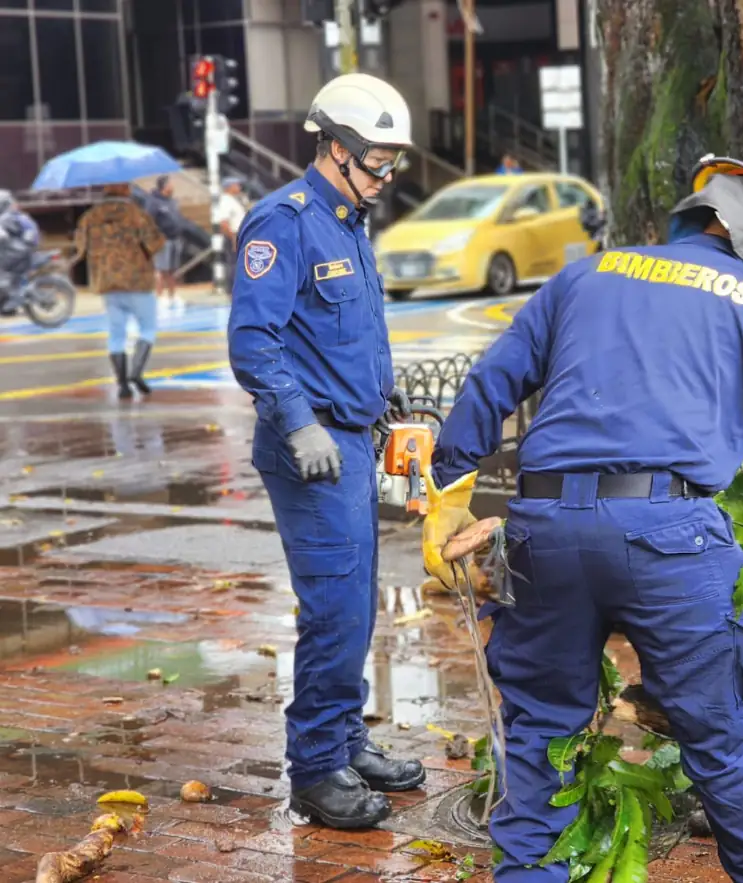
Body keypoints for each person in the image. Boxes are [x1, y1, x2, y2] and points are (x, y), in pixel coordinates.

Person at [421, 154, 743, 882]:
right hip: (669, 537)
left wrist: (451, 488)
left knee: (540, 734)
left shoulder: (588, 273)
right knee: (725, 741)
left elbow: (494, 379)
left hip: (541, 526)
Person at [226, 72, 426, 830]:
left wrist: (387, 395)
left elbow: (351, 333)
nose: (386, 175)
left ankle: (344, 738)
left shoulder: (349, 222)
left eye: (393, 162)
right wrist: (298, 421)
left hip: (350, 440)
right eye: (377, 160)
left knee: (356, 602)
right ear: (333, 148)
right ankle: (315, 768)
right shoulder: (285, 222)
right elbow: (254, 340)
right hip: (310, 450)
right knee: (334, 608)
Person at [73, 183, 165, 400]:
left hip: (106, 282)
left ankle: (122, 384)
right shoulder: (137, 214)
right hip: (137, 280)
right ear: (125, 191)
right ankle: (136, 371)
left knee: (116, 333)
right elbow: (155, 243)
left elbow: (80, 247)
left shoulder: (89, 217)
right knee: (147, 328)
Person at [146, 176, 186, 310]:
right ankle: (159, 296)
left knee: (172, 270)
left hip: (175, 239)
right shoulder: (154, 202)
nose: (172, 186)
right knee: (161, 269)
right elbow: (148, 221)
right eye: (170, 184)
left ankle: (172, 295)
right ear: (164, 186)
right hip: (163, 239)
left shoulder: (172, 202)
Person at [0, 190, 40, 315]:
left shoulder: (7, 217)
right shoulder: (12, 215)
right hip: (19, 251)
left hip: (19, 252)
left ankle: (13, 302)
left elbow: (3, 236)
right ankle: (8, 306)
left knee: (5, 276)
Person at [217, 177, 249, 256]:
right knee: (234, 263)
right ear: (230, 187)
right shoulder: (225, 201)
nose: (239, 187)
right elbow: (223, 223)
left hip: (240, 235)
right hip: (233, 236)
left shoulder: (234, 200)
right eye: (237, 185)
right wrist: (233, 238)